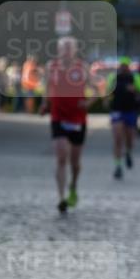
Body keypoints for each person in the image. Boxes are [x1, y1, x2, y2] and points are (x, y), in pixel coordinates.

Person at [40, 36, 90, 214]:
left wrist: (88, 102)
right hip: (58, 117)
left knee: (75, 163)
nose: (67, 50)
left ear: (75, 50)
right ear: (59, 50)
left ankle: (73, 186)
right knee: (61, 157)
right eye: (64, 47)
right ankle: (61, 198)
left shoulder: (82, 67)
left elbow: (96, 89)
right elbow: (47, 88)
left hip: (78, 119)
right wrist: (45, 104)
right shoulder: (51, 67)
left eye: (70, 47)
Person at [108, 57, 140, 179]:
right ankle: (118, 166)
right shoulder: (113, 77)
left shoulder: (135, 77)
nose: (123, 68)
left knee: (130, 138)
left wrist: (134, 89)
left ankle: (129, 152)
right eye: (121, 66)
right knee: (118, 138)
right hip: (117, 110)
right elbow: (106, 91)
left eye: (125, 66)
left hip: (130, 111)